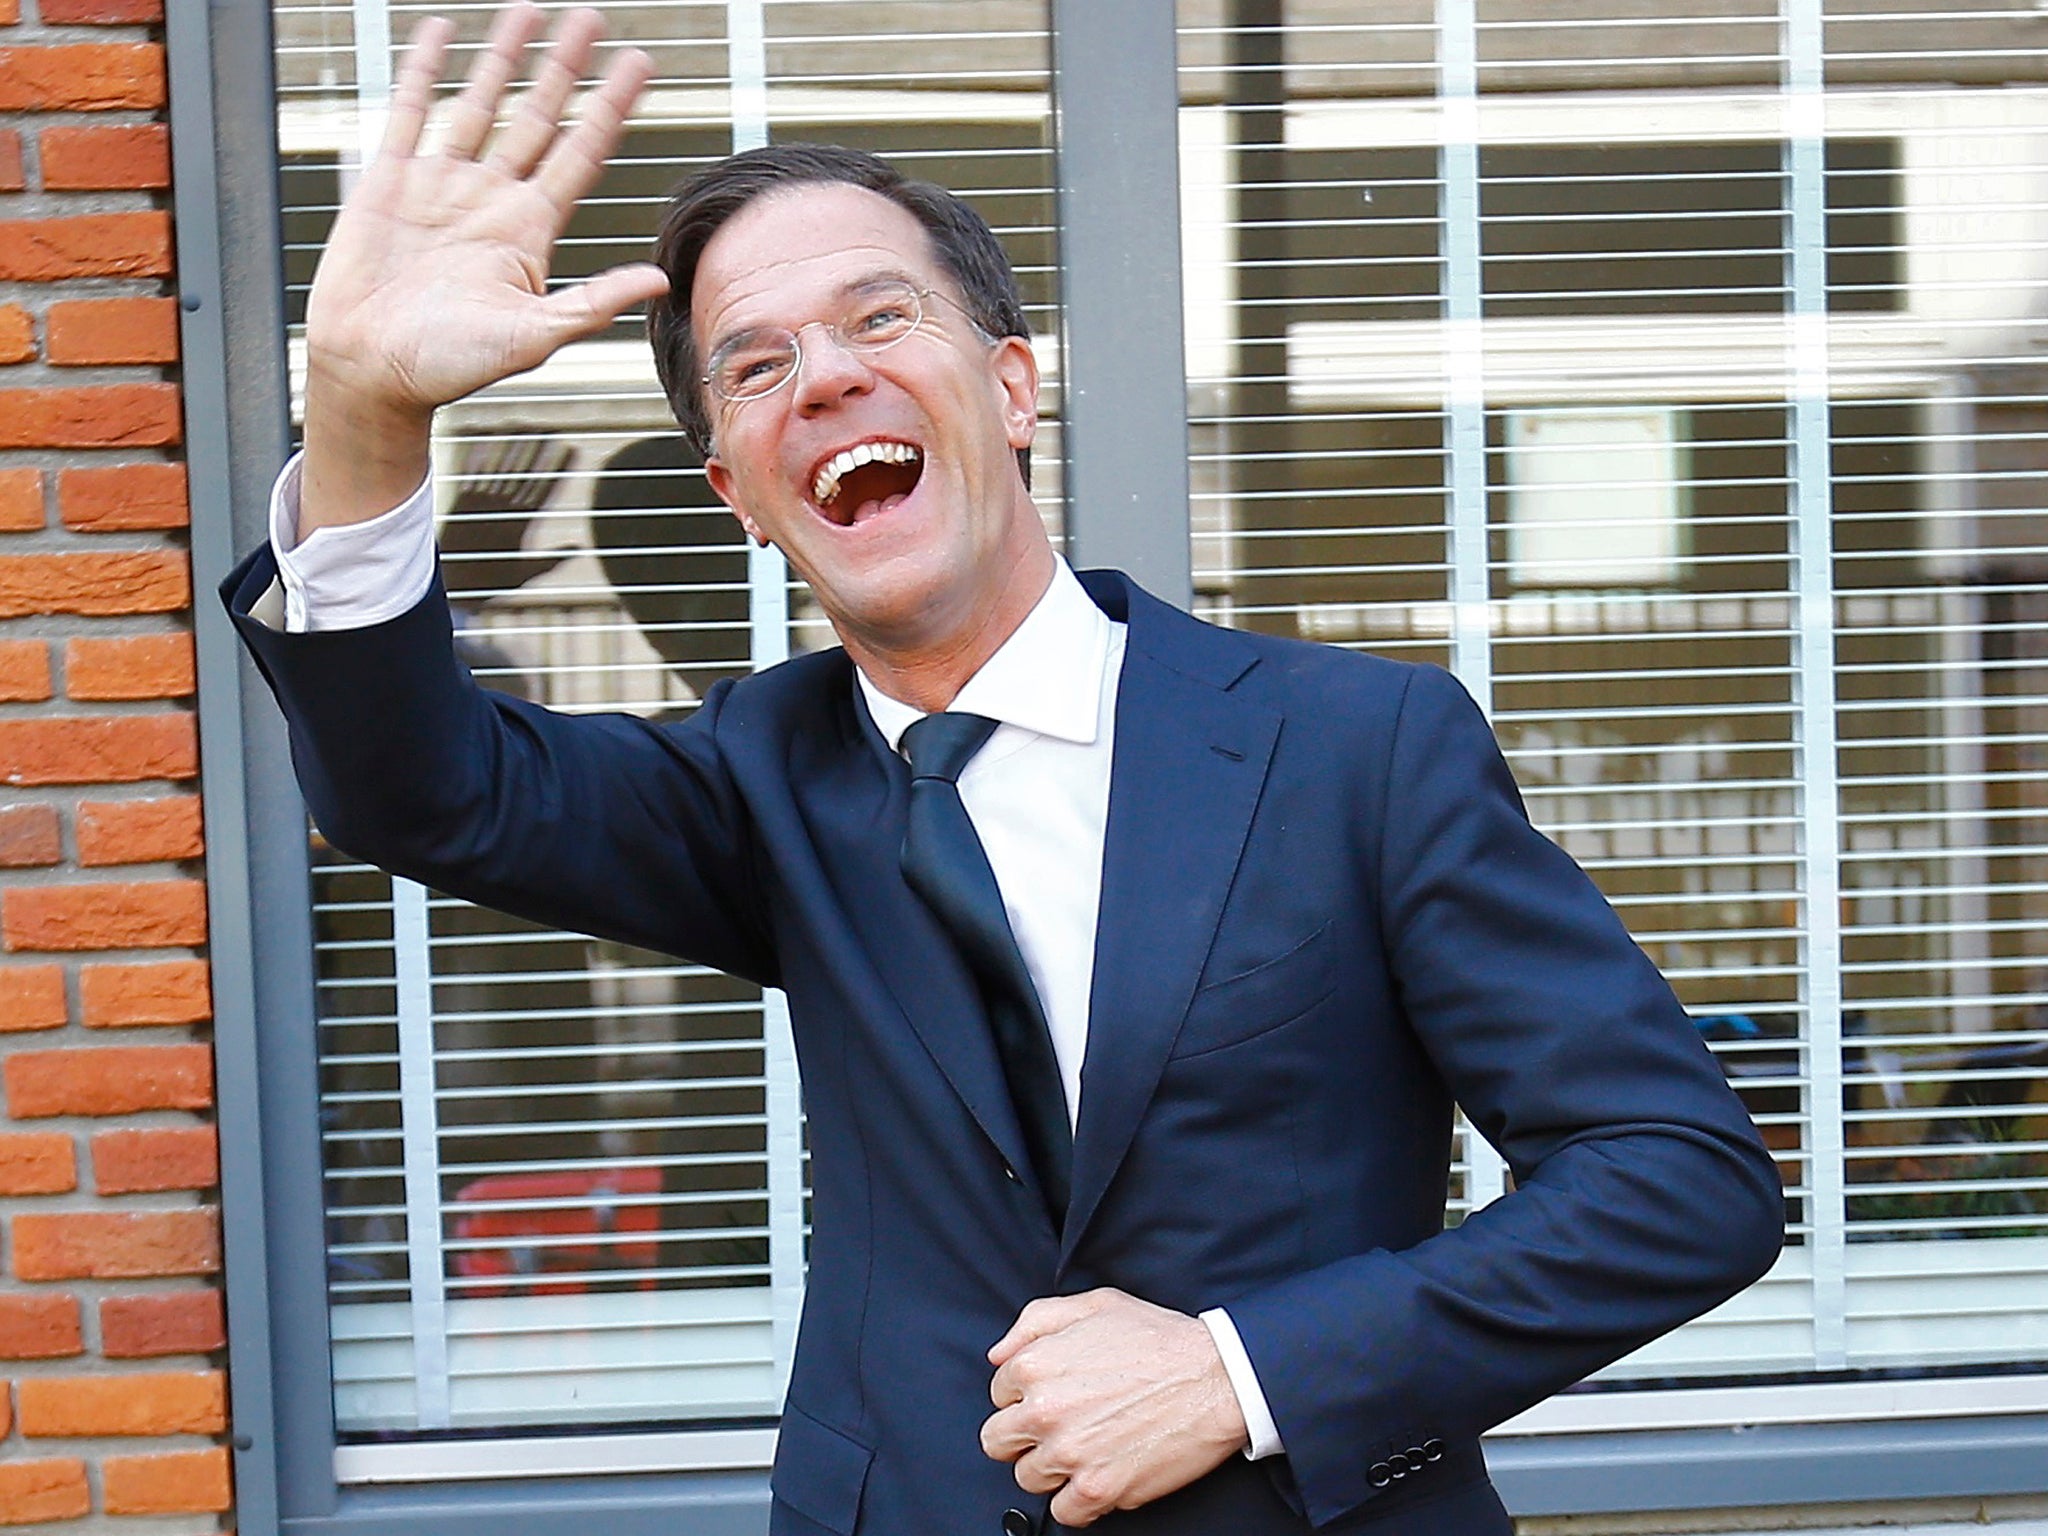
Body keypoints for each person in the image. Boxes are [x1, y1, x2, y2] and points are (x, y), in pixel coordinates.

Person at [223, 8, 1785, 1533]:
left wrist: (1241, 1374)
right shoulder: (758, 783)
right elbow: (417, 790)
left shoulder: (1354, 749)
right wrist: (364, 408)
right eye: (755, 366)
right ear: (741, 497)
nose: (823, 376)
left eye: (880, 318)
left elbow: (1675, 1178)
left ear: (1015, 389)